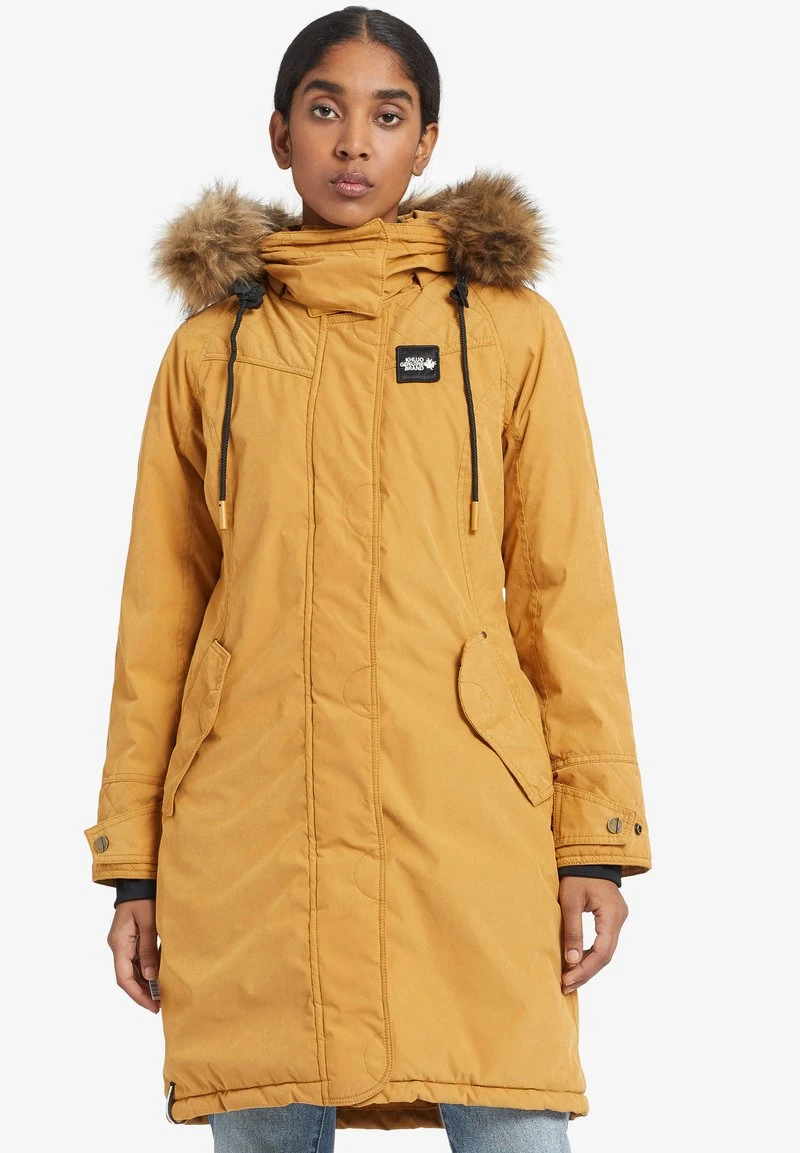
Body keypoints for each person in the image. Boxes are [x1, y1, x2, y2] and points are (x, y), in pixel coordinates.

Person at [83, 6, 652, 1150]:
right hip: (251, 822)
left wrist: (592, 838)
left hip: (465, 815)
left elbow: (564, 591)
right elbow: (160, 615)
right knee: (264, 1099)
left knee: (512, 1113)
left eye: (387, 116)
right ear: (278, 133)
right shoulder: (209, 349)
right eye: (324, 110)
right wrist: (132, 867)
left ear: (426, 142)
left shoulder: (510, 333)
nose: (353, 142)